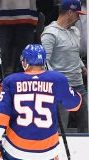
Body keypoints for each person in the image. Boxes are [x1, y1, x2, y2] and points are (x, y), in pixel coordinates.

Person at [41, 0, 87, 133]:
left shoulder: (75, 31)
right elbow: (44, 63)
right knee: (61, 127)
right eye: (78, 14)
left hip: (79, 85)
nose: (79, 18)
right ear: (70, 13)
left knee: (86, 120)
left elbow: (74, 53)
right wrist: (56, 81)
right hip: (61, 88)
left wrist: (83, 68)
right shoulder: (50, 33)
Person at [0, 0, 38, 75]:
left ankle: (23, 80)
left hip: (25, 15)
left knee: (25, 54)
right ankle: (4, 81)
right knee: (4, 54)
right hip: (5, 15)